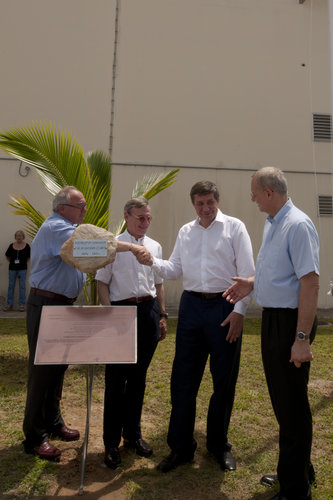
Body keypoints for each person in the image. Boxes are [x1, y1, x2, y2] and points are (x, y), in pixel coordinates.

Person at [135, 181, 255, 473]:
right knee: (183, 381)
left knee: (223, 381)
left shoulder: (235, 228)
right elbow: (175, 268)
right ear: (193, 204)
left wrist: (239, 312)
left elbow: (247, 274)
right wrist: (152, 262)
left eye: (210, 202)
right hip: (191, 309)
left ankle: (217, 445)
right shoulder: (185, 232)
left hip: (224, 307)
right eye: (200, 203)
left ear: (217, 200)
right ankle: (181, 447)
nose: (206, 209)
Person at [223, 167, 319, 500]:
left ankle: (295, 489)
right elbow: (284, 275)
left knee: (292, 405)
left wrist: (301, 339)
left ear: (268, 193)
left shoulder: (297, 225)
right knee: (283, 402)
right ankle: (297, 469)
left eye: (253, 192)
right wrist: (253, 283)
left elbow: (310, 282)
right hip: (273, 321)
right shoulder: (273, 222)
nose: (251, 198)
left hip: (292, 324)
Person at [96, 196, 167, 469]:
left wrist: (161, 315)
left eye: (148, 217)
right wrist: (108, 313)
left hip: (147, 312)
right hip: (120, 313)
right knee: (116, 381)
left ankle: (133, 436)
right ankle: (111, 443)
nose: (145, 223)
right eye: (140, 217)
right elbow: (102, 283)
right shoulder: (112, 245)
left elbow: (158, 284)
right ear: (127, 216)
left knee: (138, 379)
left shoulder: (155, 246)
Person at [4, 230, 30, 311]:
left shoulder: (27, 246)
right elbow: (7, 256)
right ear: (15, 237)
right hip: (12, 269)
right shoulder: (11, 245)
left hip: (22, 269)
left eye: (20, 236)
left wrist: (22, 263)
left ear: (23, 237)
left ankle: (21, 305)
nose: (19, 237)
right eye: (18, 236)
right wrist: (13, 263)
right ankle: (9, 305)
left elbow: (28, 257)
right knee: (11, 286)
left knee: (22, 287)